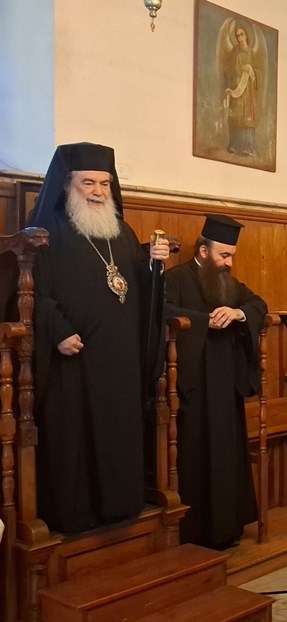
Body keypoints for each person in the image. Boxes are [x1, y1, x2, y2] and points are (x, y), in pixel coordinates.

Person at [29, 142, 170, 534]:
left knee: (116, 430)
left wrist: (154, 267)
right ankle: (77, 514)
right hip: (74, 356)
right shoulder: (47, 232)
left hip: (119, 358)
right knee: (75, 434)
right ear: (67, 185)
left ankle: (119, 504)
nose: (98, 192)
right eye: (87, 182)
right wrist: (56, 330)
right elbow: (29, 291)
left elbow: (138, 289)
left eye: (105, 184)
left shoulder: (121, 232)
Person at [164, 214, 267, 548]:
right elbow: (162, 312)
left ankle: (228, 527)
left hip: (225, 383)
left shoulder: (229, 284)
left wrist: (238, 313)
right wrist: (202, 321)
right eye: (224, 255)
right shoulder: (175, 279)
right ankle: (197, 532)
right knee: (196, 456)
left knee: (226, 455)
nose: (229, 262)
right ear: (204, 251)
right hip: (192, 384)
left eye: (232, 255)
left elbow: (258, 304)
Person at [223, 21, 262, 157]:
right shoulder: (234, 52)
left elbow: (259, 73)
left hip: (248, 92)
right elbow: (228, 70)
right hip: (237, 89)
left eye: (242, 34)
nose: (240, 38)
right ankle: (234, 145)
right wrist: (235, 77)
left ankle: (248, 147)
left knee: (247, 117)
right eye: (237, 35)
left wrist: (251, 70)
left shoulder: (251, 53)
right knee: (236, 116)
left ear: (247, 35)